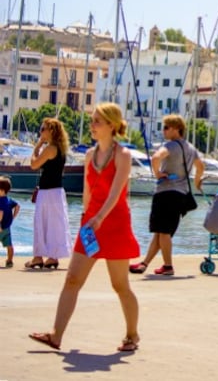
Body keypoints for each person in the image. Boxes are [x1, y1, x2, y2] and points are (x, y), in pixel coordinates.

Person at [29, 102, 140, 353]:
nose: (92, 125)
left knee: (120, 285)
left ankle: (132, 335)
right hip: (91, 225)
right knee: (72, 279)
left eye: (97, 121)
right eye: (92, 120)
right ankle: (56, 335)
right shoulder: (90, 155)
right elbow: (88, 192)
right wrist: (86, 217)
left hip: (114, 224)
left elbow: (117, 193)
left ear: (111, 125)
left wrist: (99, 217)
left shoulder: (123, 155)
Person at [130, 114, 204, 276]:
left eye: (166, 128)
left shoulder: (170, 146)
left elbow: (156, 157)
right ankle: (144, 263)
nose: (163, 131)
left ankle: (168, 266)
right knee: (161, 231)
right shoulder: (191, 148)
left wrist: (157, 173)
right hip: (181, 194)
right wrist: (197, 182)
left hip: (166, 192)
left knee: (163, 232)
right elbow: (200, 166)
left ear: (176, 129)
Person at [25, 118, 73, 270]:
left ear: (51, 131)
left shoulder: (50, 149)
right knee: (55, 225)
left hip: (47, 192)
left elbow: (34, 164)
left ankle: (38, 257)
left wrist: (37, 147)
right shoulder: (60, 149)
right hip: (57, 191)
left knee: (41, 223)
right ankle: (53, 257)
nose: (41, 132)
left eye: (43, 129)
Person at [0, 175, 20, 268]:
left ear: (1, 190)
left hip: (0, 227)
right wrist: (13, 216)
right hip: (7, 228)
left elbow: (0, 213)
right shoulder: (8, 200)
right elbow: (17, 206)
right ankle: (9, 260)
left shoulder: (0, 201)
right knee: (9, 245)